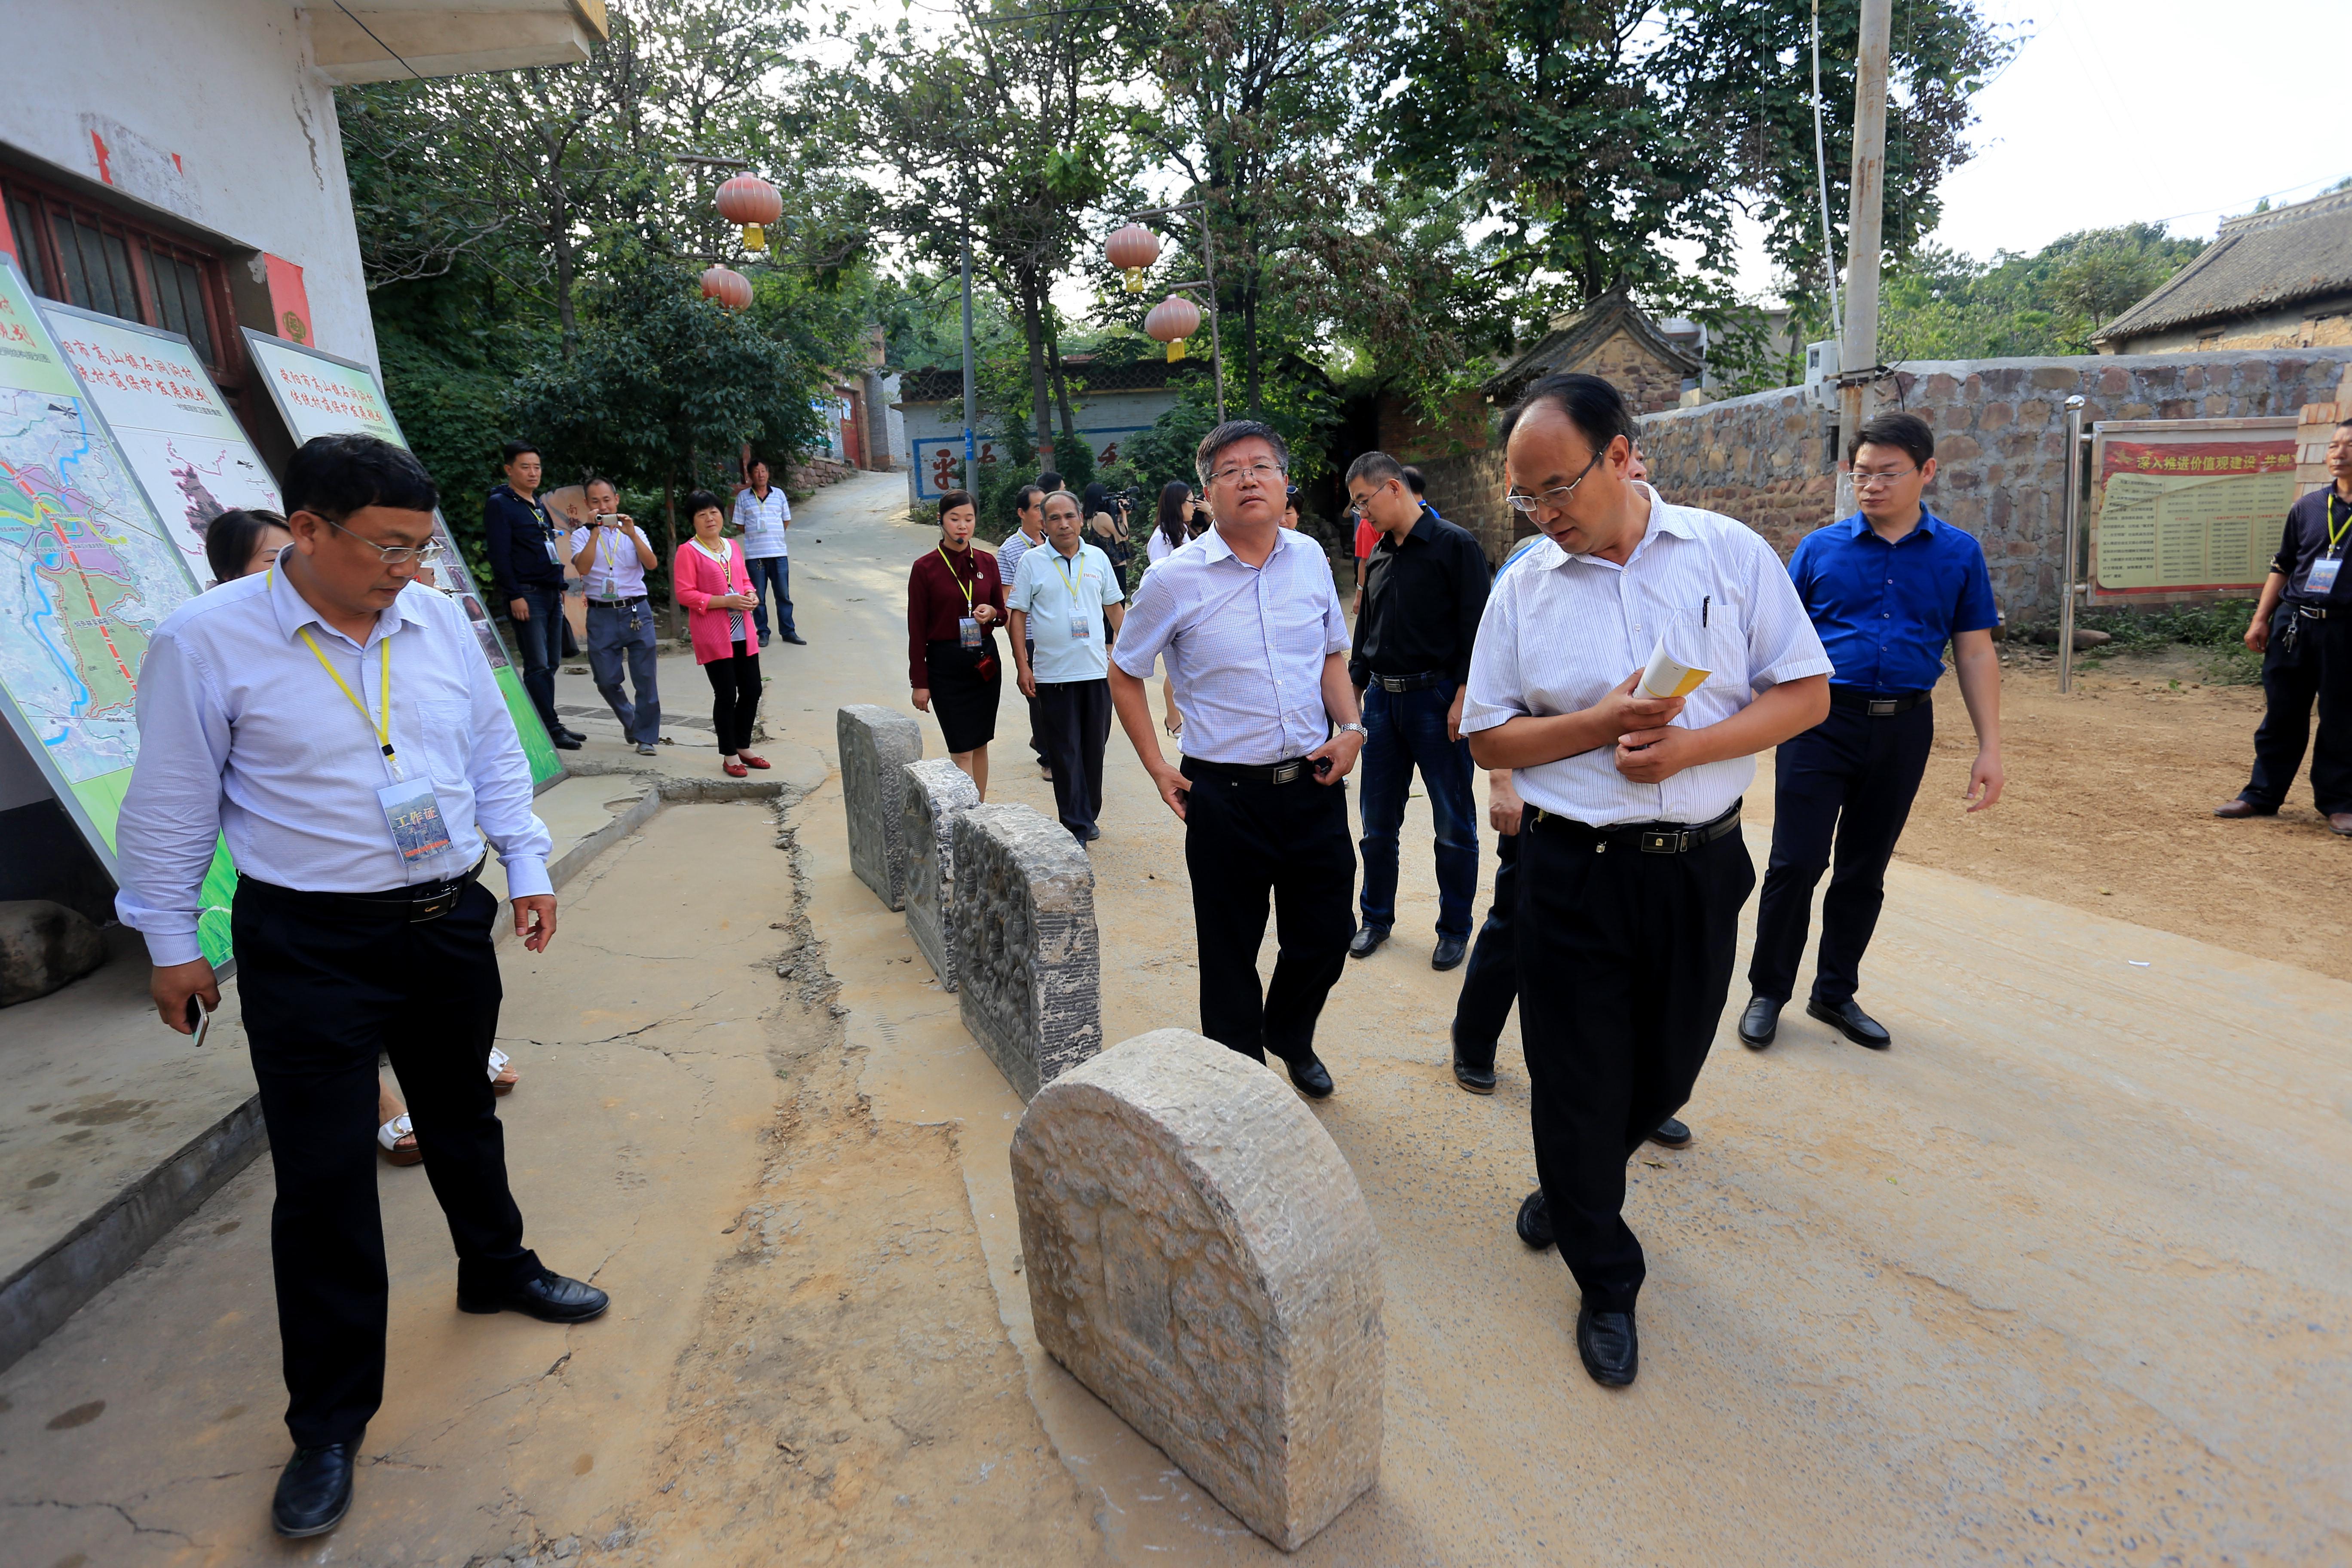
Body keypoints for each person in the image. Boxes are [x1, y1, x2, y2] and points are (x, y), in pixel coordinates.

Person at [115, 433, 606, 1539]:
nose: (407, 569)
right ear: (307, 531)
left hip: (444, 920)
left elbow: (488, 751)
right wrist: (167, 939)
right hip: (309, 943)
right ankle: (328, 1421)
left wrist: (524, 866)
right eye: (387, 547)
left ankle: (497, 1269)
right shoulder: (205, 644)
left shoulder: (431, 621)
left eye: (419, 547)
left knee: (462, 1117)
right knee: (326, 1176)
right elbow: (169, 805)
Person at [1463, 373, 1831, 1387]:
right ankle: (1606, 1275)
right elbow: (1485, 730)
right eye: (1524, 499)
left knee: (1664, 1073)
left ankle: (1572, 1180)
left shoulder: (1727, 555)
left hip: (1699, 868)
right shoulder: (1522, 587)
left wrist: (1687, 749)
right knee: (1578, 1086)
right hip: (1569, 869)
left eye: (1556, 490)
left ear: (1621, 457)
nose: (1542, 516)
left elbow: (1802, 694)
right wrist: (1598, 725)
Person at [1109, 420, 1365, 1099]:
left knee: (1329, 932)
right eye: (1229, 471)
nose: (1247, 478)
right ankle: (1241, 1086)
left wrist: (1352, 727)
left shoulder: (1311, 558)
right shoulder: (1172, 581)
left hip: (1313, 783)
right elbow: (1125, 671)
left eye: (1261, 466)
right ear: (1206, 495)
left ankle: (1288, 1031)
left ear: (1285, 484)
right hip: (1224, 795)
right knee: (1229, 953)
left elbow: (1331, 656)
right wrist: (1156, 766)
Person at [1740, 411, 2004, 1053]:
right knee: (1796, 862)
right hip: (1819, 722)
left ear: (1927, 472)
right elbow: (1774, 640)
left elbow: (1974, 651)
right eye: (1863, 473)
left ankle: (1834, 993)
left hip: (1904, 727)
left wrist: (1989, 747)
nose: (1873, 485)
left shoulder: (1959, 554)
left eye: (1889, 473)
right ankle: (1767, 991)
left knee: (1864, 867)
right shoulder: (1819, 549)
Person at [1343, 450, 1491, 972]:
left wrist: (1464, 695)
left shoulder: (1456, 546)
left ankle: (1454, 929)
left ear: (1394, 488)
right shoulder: (1379, 555)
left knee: (1454, 825)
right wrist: (1353, 700)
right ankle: (1375, 919)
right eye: (1357, 506)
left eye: (1365, 501)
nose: (1363, 514)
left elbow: (1479, 630)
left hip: (1437, 702)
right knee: (1376, 825)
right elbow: (1365, 638)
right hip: (1383, 704)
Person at [2215, 415, 2352, 836]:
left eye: (2349, 446)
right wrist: (2261, 620)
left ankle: (2340, 802)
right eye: (2334, 446)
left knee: (2342, 717)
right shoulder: (2309, 507)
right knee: (2282, 714)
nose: (2339, 453)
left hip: (2346, 629)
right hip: (2294, 624)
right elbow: (2283, 564)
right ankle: (2261, 795)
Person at [1010, 490, 1128, 842]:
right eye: (1055, 518)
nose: (1064, 524)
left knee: (1095, 748)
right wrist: (1023, 665)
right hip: (1053, 676)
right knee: (1064, 751)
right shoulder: (1032, 562)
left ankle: (1088, 814)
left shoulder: (1098, 558)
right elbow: (1017, 617)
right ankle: (1074, 824)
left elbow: (1116, 612)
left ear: (1081, 518)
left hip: (1096, 672)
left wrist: (1124, 657)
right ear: (1044, 524)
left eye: (1070, 516)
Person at [482, 441, 581, 751]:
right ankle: (549, 728)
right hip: (526, 594)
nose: (533, 472)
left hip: (551, 592)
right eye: (525, 467)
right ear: (509, 470)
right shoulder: (500, 504)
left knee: (551, 662)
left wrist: (560, 587)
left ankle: (547, 720)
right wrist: (514, 595)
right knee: (537, 664)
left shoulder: (536, 504)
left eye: (537, 467)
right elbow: (500, 555)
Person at [907, 489, 1008, 796]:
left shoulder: (988, 562)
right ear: (941, 521)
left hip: (984, 662)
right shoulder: (925, 568)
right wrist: (919, 682)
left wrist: (991, 613)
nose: (962, 526)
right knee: (962, 748)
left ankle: (980, 811)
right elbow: (917, 630)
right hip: (946, 666)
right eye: (955, 519)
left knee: (980, 744)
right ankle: (965, 816)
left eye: (969, 519)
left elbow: (1002, 614)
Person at [674, 490, 770, 778]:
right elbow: (685, 594)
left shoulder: (731, 546)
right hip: (714, 634)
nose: (709, 518)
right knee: (727, 693)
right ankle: (729, 754)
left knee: (753, 689)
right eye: (701, 514)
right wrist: (725, 601)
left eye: (713, 512)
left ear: (721, 514)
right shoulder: (688, 551)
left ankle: (743, 746)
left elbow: (743, 579)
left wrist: (751, 594)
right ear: (693, 521)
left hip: (743, 630)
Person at [569, 477, 663, 758]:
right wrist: (594, 532)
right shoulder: (581, 536)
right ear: (587, 504)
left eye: (607, 500)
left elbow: (652, 564)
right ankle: (632, 721)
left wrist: (633, 534)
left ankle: (646, 737)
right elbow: (583, 568)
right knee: (606, 679)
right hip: (601, 615)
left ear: (617, 500)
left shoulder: (635, 532)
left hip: (636, 611)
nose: (603, 506)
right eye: (595, 502)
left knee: (646, 677)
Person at [998, 485, 1053, 781]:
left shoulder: (1055, 542)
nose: (1043, 514)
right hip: (1031, 635)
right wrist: (1019, 651)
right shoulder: (1010, 551)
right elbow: (1008, 603)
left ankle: (1045, 741)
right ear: (1022, 513)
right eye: (1037, 508)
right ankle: (1047, 758)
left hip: (1058, 634)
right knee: (1038, 697)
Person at [735, 457, 804, 646]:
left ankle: (788, 632)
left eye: (764, 471)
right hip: (755, 556)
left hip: (779, 553)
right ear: (750, 475)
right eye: (756, 472)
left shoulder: (779, 495)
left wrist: (774, 534)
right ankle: (763, 633)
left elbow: (786, 520)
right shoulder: (743, 497)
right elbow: (740, 526)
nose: (761, 475)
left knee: (783, 595)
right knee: (758, 598)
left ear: (768, 473)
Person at [1083, 481, 1134, 588]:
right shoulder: (1102, 517)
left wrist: (1119, 515)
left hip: (1104, 566)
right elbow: (1124, 535)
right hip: (1116, 567)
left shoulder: (1092, 518)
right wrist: (1124, 513)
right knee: (1119, 604)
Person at [1147, 480, 1197, 568]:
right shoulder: (1161, 538)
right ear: (1179, 503)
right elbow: (1159, 575)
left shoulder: (1184, 530)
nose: (1194, 507)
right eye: (1192, 501)